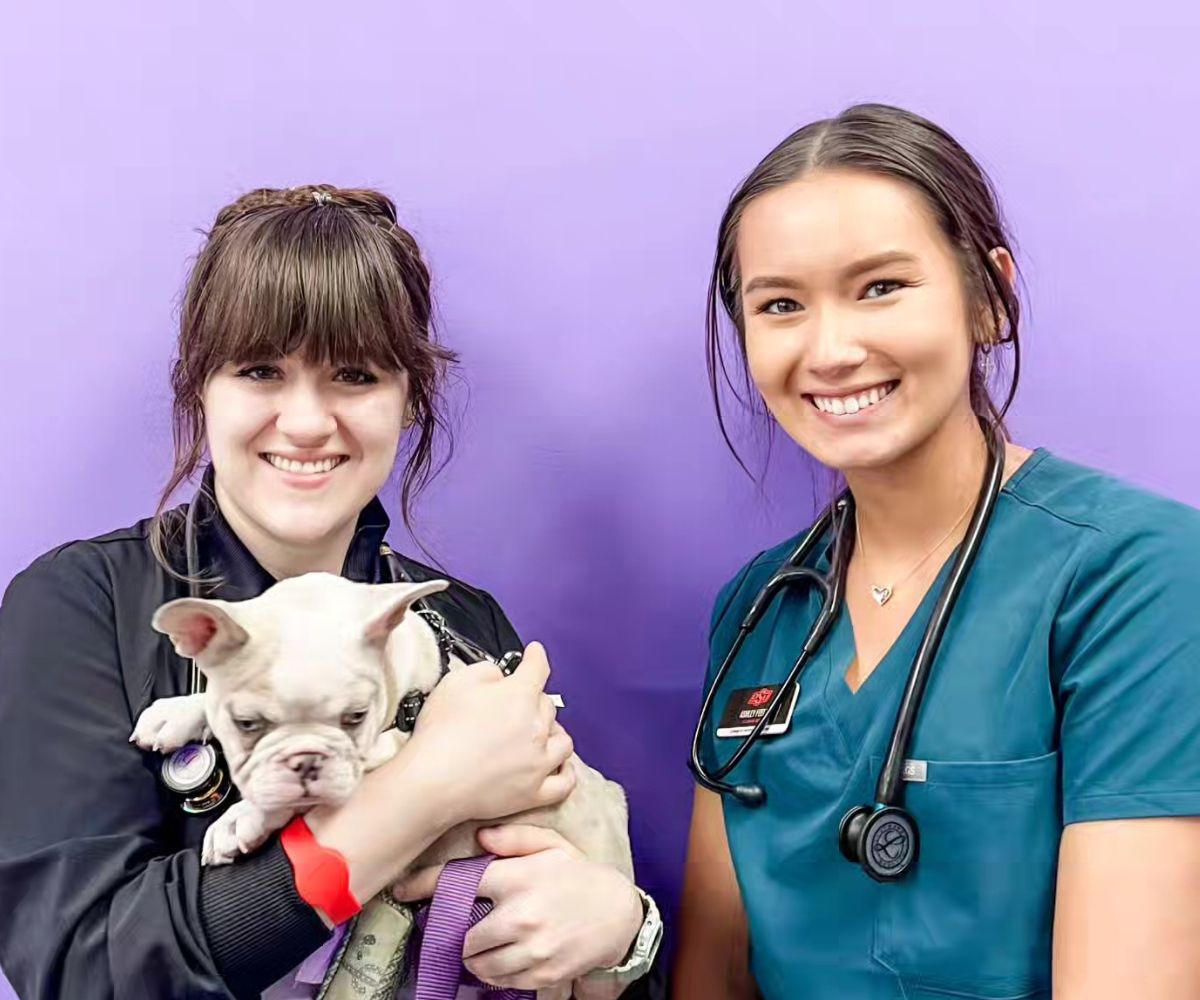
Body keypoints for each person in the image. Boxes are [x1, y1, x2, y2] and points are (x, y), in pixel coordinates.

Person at [0, 185, 660, 1000]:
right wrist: (421, 794)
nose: (307, 422)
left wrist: (620, 931)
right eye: (260, 371)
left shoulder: (454, 623)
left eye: (354, 374)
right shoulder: (86, 607)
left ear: (407, 398)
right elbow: (81, 971)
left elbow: (569, 881)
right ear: (199, 387)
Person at [672, 104, 1200, 999]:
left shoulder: (1140, 575)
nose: (832, 349)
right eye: (781, 305)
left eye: (881, 287)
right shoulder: (763, 604)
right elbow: (713, 971)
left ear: (989, 296)